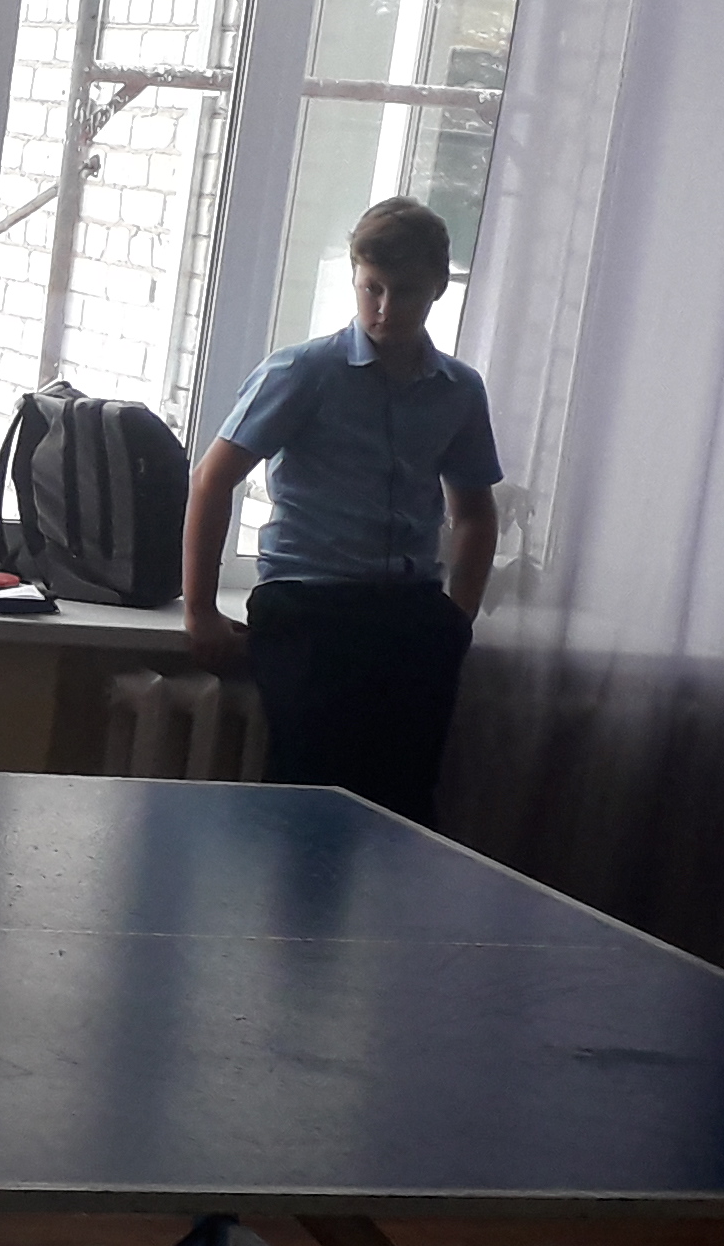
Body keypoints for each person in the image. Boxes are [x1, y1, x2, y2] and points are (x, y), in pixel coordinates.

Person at [179, 198, 498, 826]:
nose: (384, 308)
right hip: (311, 608)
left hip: (411, 612)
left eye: (406, 292)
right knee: (310, 795)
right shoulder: (303, 371)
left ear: (439, 286)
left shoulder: (459, 390)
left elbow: (474, 513)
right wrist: (199, 611)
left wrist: (456, 617)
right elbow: (212, 482)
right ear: (355, 277)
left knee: (404, 807)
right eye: (371, 288)